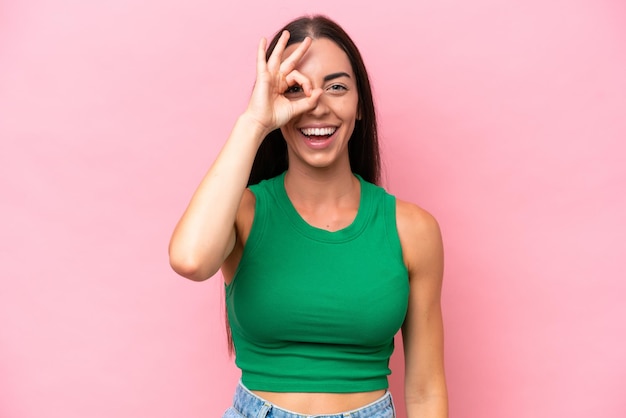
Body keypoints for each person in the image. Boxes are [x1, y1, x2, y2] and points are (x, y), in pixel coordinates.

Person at [169, 15, 448, 418]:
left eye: (337, 87)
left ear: (360, 106)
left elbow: (425, 391)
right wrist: (254, 122)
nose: (317, 105)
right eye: (297, 88)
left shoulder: (413, 230)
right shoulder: (244, 213)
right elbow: (190, 260)